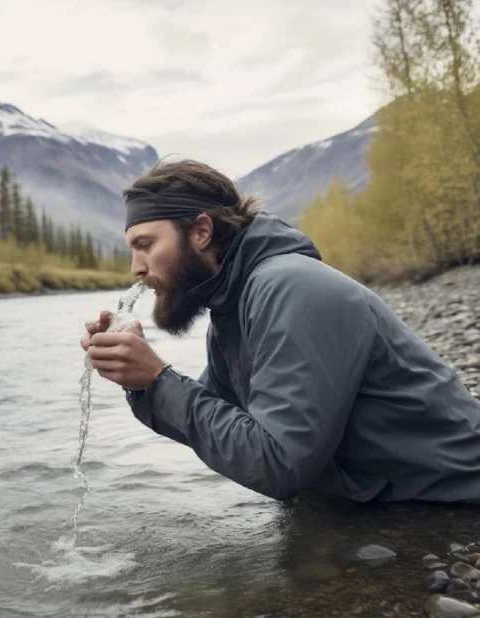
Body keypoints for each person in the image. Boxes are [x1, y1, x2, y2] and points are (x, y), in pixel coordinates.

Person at [81, 159, 480, 504]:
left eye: (146, 244)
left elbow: (278, 464)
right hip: (398, 498)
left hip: (456, 498)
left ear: (201, 231)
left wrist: (157, 377)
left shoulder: (290, 288)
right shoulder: (234, 306)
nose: (136, 267)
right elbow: (222, 423)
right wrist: (139, 379)